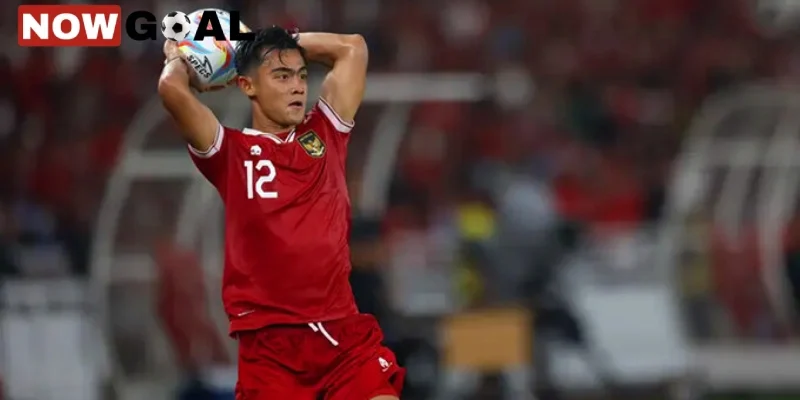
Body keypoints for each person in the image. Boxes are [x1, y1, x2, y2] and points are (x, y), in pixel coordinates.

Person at [157, 26, 404, 400]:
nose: (298, 87)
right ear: (247, 85)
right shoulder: (230, 152)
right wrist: (178, 59)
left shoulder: (325, 131)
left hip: (342, 338)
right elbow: (171, 90)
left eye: (302, 76)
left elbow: (352, 48)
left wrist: (264, 43)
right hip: (272, 351)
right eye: (282, 76)